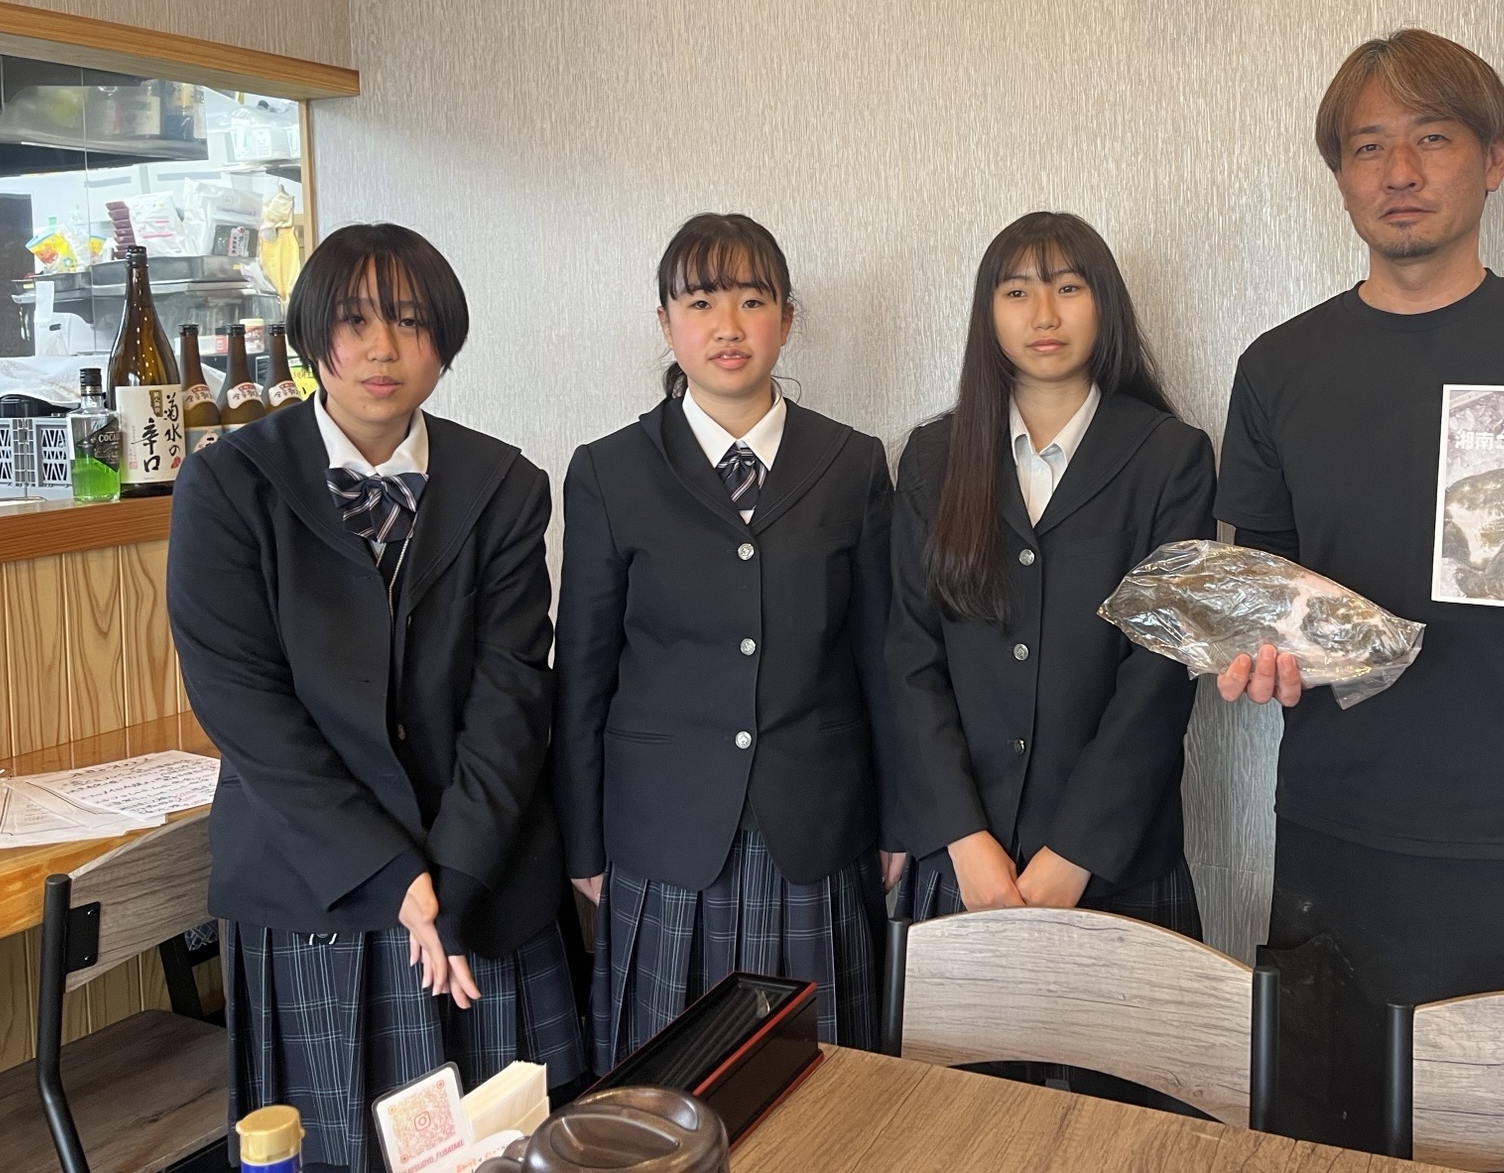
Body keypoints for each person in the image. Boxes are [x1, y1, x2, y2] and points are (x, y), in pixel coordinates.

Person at [1212, 29, 1504, 1147]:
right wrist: (1255, 652)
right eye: (1368, 147)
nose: (1399, 171)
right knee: (1326, 1134)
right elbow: (1265, 577)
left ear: (1493, 160)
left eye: (1432, 139)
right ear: (1339, 176)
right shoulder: (1278, 365)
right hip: (1334, 824)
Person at [168, 224, 582, 1173]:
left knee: (509, 1143)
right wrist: (392, 873)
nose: (382, 348)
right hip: (314, 885)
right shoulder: (228, 483)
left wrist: (453, 876)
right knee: (334, 1151)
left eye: (409, 322)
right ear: (313, 337)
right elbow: (244, 707)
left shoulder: (504, 484)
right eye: (354, 322)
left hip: (483, 881)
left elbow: (512, 692)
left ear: (446, 341)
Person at [551, 213, 902, 1069]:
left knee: (824, 1086)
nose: (728, 325)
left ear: (786, 319)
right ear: (666, 322)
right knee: (664, 1092)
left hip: (818, 826)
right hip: (662, 833)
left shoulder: (851, 463)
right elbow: (584, 673)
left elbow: (882, 659)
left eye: (752, 300)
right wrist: (583, 839)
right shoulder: (608, 471)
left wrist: (900, 818)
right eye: (701, 302)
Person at [889, 211, 1216, 935]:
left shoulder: (1170, 458)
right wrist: (962, 837)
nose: (1043, 314)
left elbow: (1160, 672)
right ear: (988, 313)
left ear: (1104, 302)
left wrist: (1075, 852)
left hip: (1114, 860)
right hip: (967, 863)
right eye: (1016, 292)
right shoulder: (933, 459)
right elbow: (910, 658)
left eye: (1068, 287)